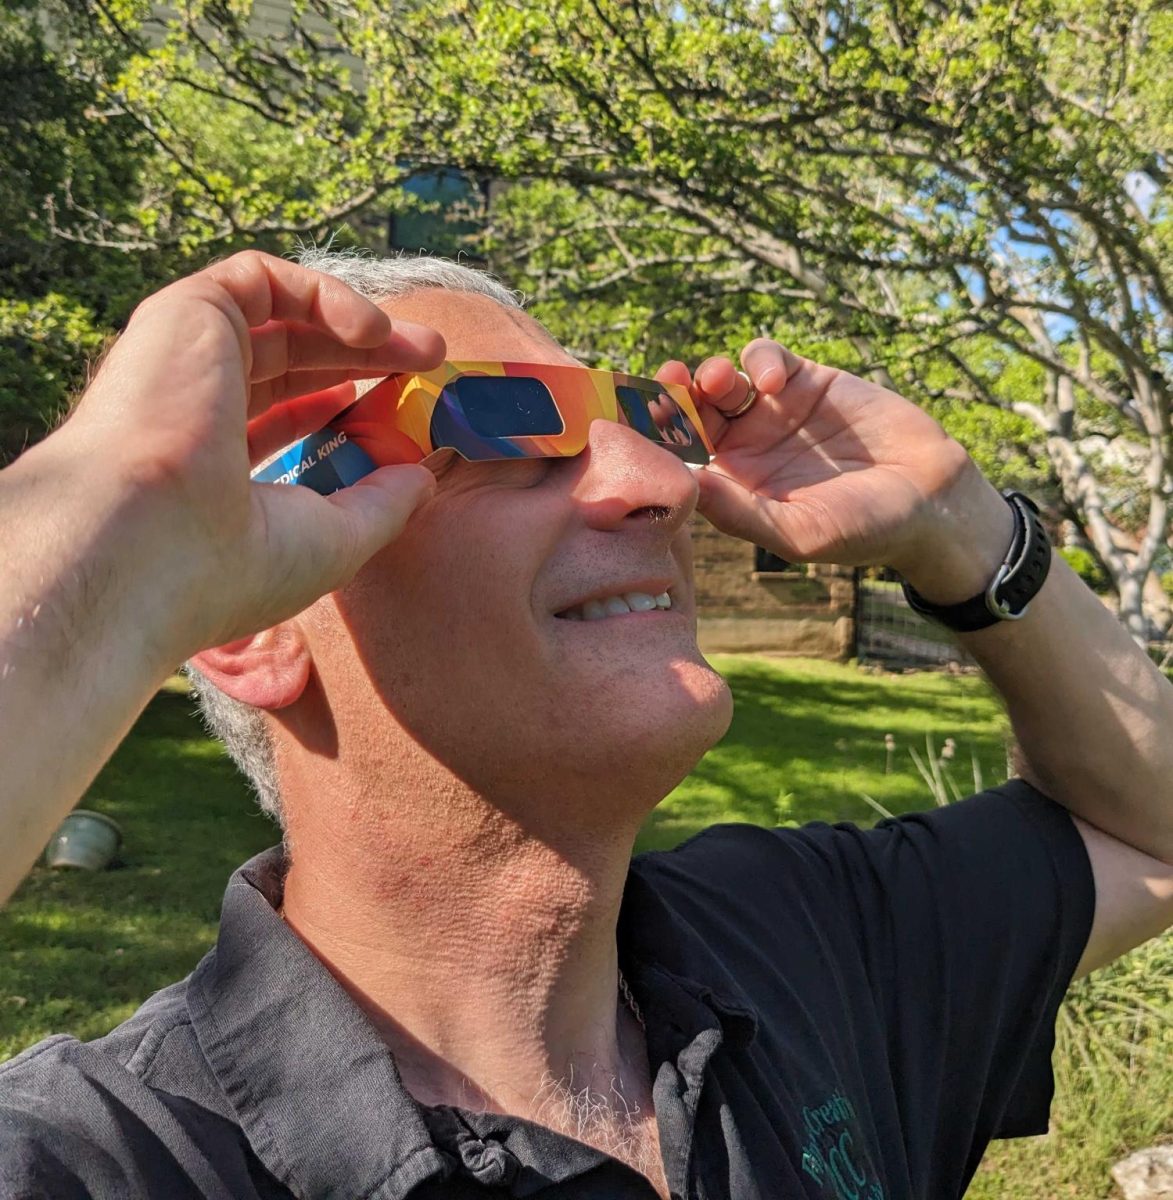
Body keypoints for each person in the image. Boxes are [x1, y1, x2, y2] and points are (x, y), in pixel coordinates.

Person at [0, 247, 1170, 1200]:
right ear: (256, 624)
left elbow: (1151, 834)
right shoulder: (110, 1160)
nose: (661, 484)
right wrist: (107, 543)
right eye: (500, 423)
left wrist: (956, 522)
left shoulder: (808, 941)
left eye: (648, 420)